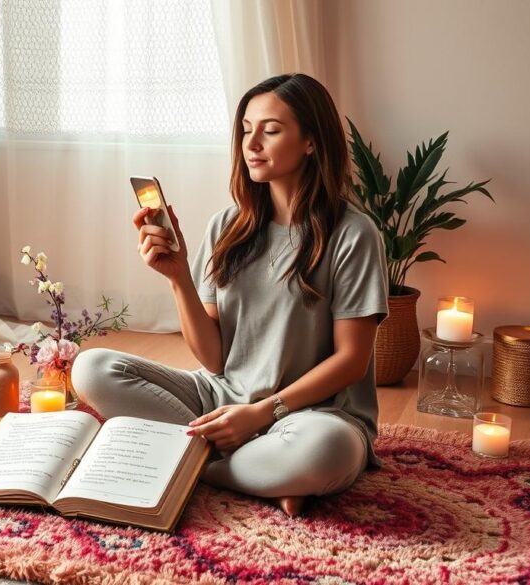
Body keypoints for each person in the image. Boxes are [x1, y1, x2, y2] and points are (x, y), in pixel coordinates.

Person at [71, 73, 389, 517]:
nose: (252, 143)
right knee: (92, 367)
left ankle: (197, 464)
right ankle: (258, 474)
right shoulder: (228, 226)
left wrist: (261, 415)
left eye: (271, 130)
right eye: (246, 130)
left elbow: (351, 360)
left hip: (312, 415)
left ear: (311, 142)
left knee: (325, 450)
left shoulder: (354, 234)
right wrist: (178, 276)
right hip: (221, 398)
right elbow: (215, 361)